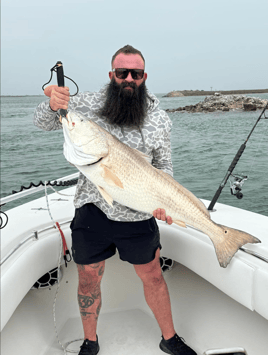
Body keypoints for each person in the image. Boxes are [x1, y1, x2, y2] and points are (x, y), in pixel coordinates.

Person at [34, 45, 197, 355]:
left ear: (144, 76)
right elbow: (45, 121)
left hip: (139, 214)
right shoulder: (88, 105)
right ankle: (90, 341)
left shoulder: (160, 119)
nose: (128, 79)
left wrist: (165, 204)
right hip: (92, 209)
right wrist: (51, 101)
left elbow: (164, 168)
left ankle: (170, 338)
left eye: (135, 73)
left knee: (152, 275)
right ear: (111, 75)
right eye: (122, 73)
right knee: (88, 278)